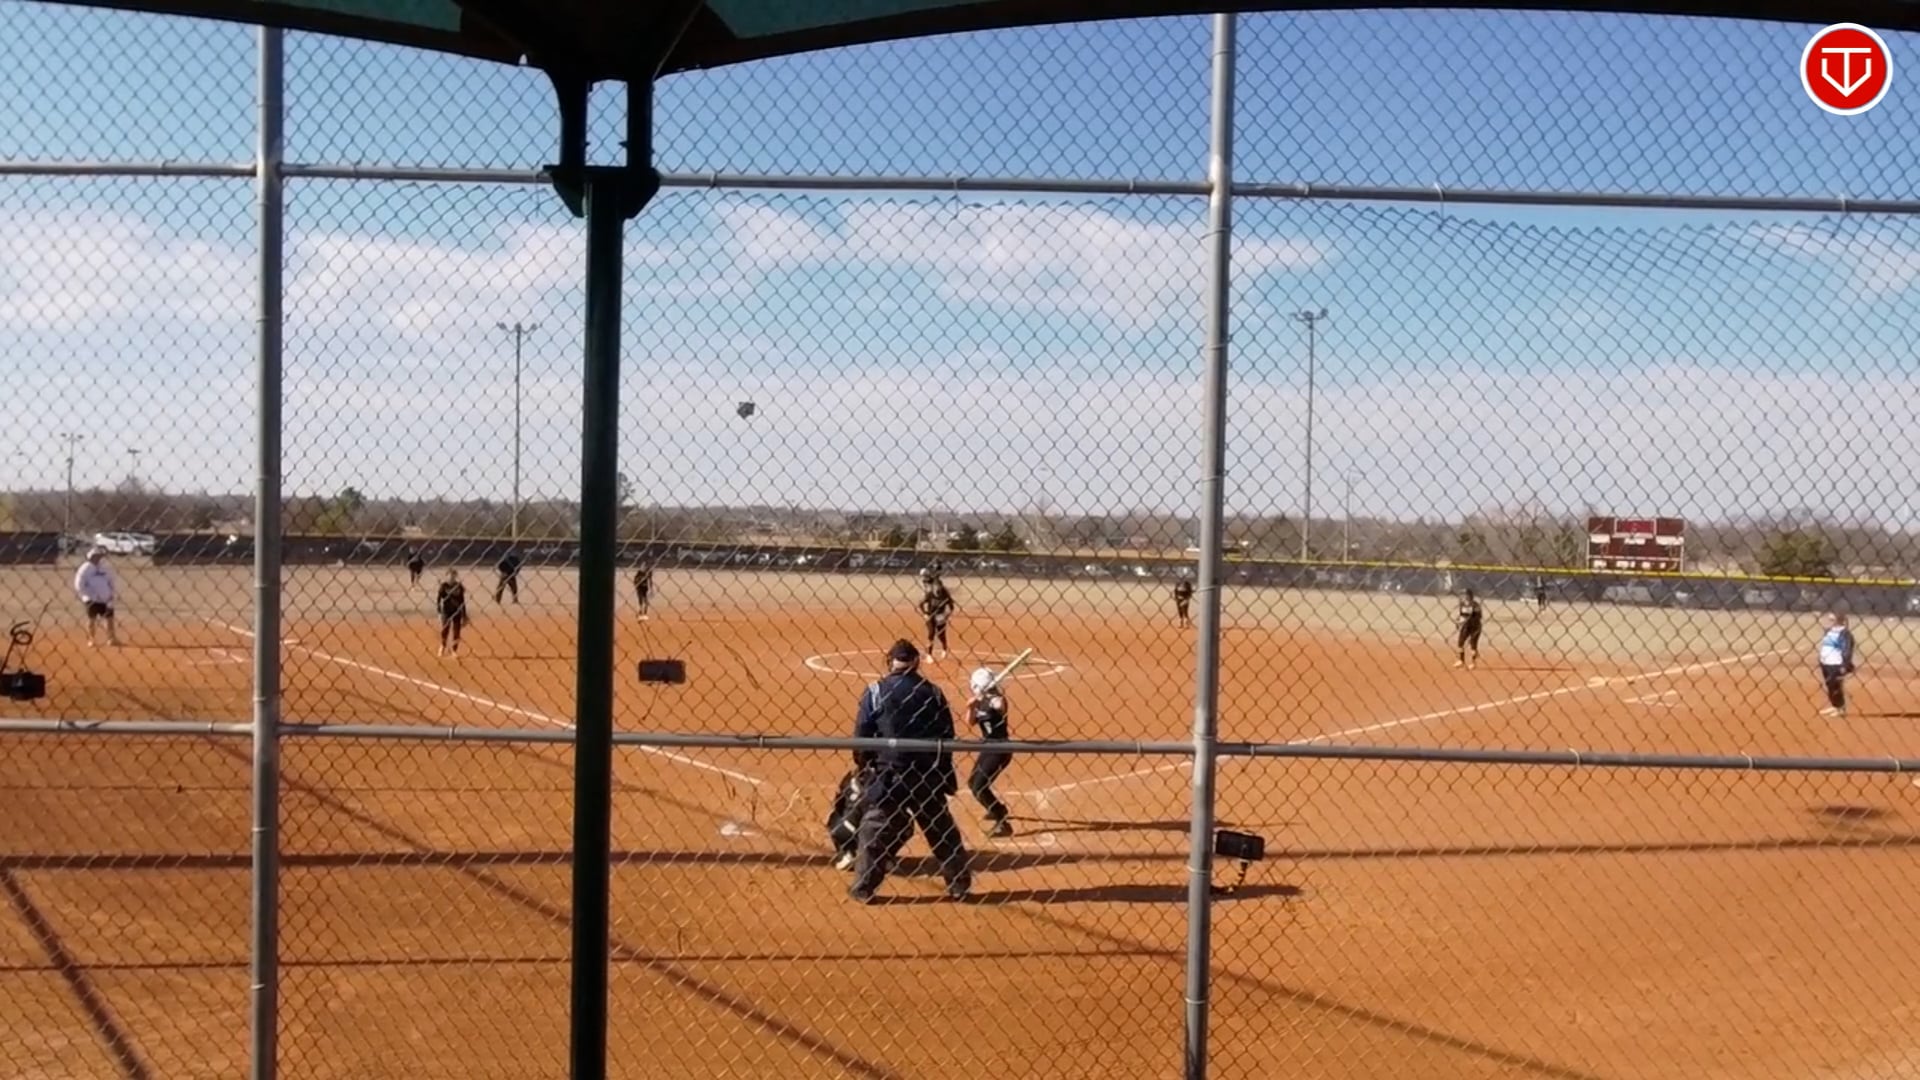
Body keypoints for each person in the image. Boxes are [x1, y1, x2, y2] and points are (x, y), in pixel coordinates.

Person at [848, 639, 971, 903]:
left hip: (889, 774)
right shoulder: (933, 692)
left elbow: (862, 736)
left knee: (874, 828)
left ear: (890, 662)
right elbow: (946, 735)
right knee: (941, 829)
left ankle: (864, 887)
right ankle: (958, 884)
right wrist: (943, 772)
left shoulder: (875, 691)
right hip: (926, 774)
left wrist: (865, 764)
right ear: (915, 663)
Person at [966, 666, 1015, 839]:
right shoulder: (980, 700)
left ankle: (1003, 823)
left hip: (1000, 750)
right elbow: (971, 722)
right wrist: (971, 707)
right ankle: (997, 809)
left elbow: (1000, 706)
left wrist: (991, 699)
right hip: (988, 748)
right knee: (973, 784)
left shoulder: (997, 700)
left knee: (979, 787)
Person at [72, 547, 119, 647]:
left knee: (109, 618)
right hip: (91, 599)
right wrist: (88, 595)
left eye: (99, 556)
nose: (98, 558)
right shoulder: (85, 568)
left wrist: (111, 594)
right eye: (95, 556)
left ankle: (111, 638)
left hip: (106, 598)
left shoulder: (105, 567)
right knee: (91, 619)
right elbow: (79, 585)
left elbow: (111, 581)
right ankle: (91, 639)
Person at [1818, 612, 1857, 718]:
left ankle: (1841, 708)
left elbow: (1847, 650)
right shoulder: (1829, 631)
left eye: (1832, 620)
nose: (1829, 621)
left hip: (1836, 663)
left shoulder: (1845, 634)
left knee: (1835, 686)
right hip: (1826, 662)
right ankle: (1835, 706)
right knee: (1829, 685)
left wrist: (1845, 664)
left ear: (1838, 621)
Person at [917, 572, 956, 660]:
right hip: (931, 616)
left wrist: (947, 615)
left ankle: (944, 649)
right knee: (931, 634)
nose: (937, 589)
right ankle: (929, 654)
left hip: (940, 616)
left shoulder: (945, 596)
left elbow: (951, 607)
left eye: (939, 587)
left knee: (941, 635)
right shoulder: (930, 594)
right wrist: (925, 613)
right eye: (935, 587)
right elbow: (921, 604)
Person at [436, 569, 469, 658]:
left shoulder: (459, 586)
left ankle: (454, 650)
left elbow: (462, 601)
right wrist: (439, 612)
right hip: (446, 611)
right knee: (445, 630)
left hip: (457, 611)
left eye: (453, 576)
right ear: (446, 576)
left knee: (456, 631)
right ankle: (443, 646)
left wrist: (464, 615)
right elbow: (438, 599)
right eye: (450, 576)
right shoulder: (444, 586)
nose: (451, 578)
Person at [1453, 588, 1484, 669]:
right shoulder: (1462, 604)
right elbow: (1461, 614)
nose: (1464, 597)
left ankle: (1473, 663)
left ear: (1470, 596)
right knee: (1460, 642)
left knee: (1473, 644)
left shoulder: (1475, 605)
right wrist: (1458, 621)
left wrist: (1467, 619)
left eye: (1465, 595)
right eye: (1463, 595)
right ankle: (1461, 660)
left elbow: (1478, 616)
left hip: (1475, 626)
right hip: (1466, 626)